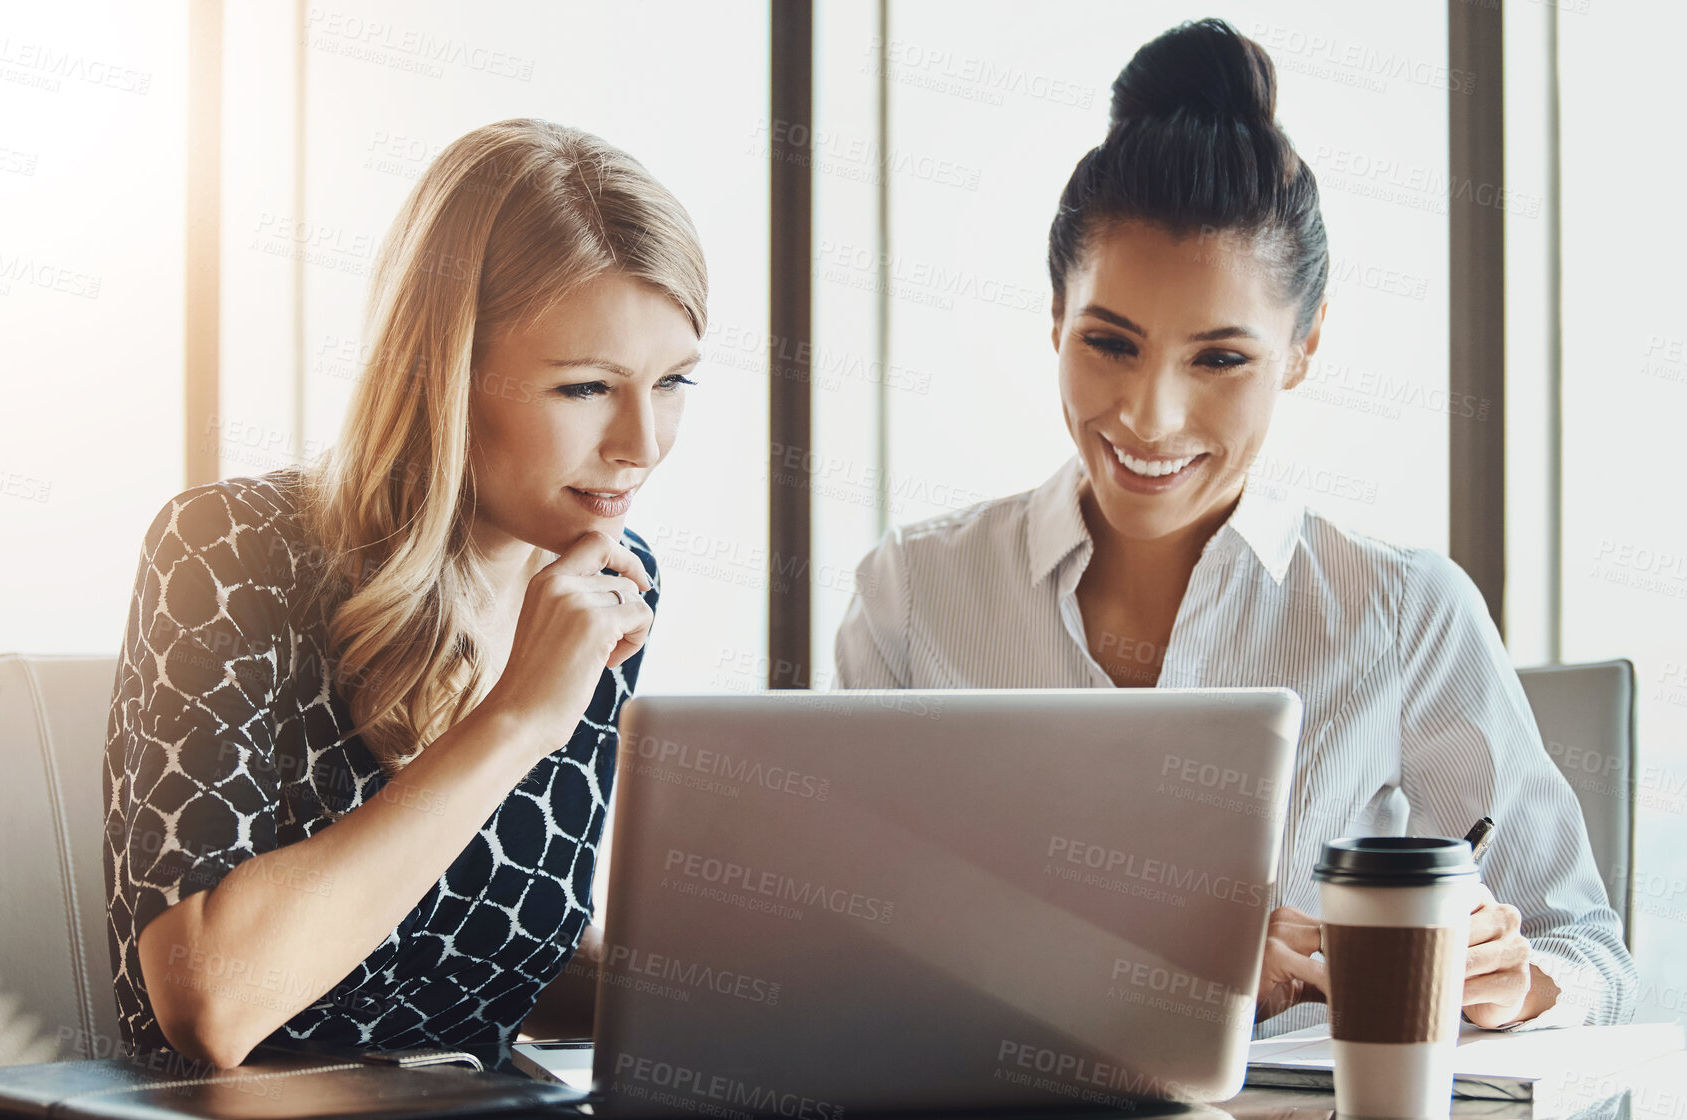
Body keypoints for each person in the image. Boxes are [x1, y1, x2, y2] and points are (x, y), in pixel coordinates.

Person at [834, 19, 1636, 1036]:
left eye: (1220, 360)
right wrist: (1169, 966)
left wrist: (1514, 981)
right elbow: (853, 941)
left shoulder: (1403, 613)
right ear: (1053, 317)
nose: (1149, 417)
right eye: (1110, 343)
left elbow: (1588, 951)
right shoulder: (915, 594)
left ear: (1304, 346)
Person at [102, 119, 707, 1068]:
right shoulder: (229, 554)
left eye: (673, 382)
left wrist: (748, 982)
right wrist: (513, 720)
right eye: (587, 387)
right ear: (446, 373)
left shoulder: (604, 585)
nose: (642, 443)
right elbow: (213, 1003)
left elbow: (467, 954)